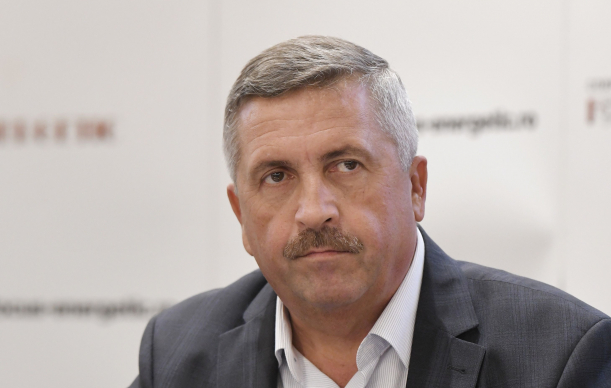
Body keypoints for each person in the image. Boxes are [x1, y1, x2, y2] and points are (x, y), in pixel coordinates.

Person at [129, 36, 611, 388]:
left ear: (415, 186)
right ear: (241, 217)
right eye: (276, 176)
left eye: (346, 165)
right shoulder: (175, 353)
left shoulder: (558, 354)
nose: (314, 212)